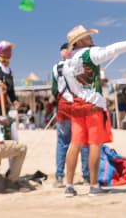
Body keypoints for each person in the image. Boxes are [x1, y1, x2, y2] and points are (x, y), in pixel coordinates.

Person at [61, 24, 126, 198]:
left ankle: (69, 185)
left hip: (77, 106)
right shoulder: (91, 53)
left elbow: (72, 87)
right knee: (95, 145)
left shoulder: (67, 64)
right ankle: (94, 185)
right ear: (80, 41)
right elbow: (113, 50)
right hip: (94, 106)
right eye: (88, 37)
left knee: (75, 145)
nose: (92, 39)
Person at [51, 42, 89, 188]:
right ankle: (86, 176)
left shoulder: (56, 67)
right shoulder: (77, 64)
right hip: (77, 106)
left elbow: (55, 90)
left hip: (63, 107)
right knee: (83, 142)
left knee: (63, 143)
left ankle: (60, 177)